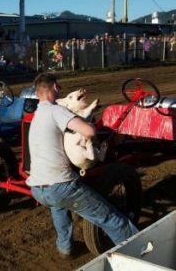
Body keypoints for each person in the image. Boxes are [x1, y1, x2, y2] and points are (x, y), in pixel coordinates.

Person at [27, 73, 138, 257]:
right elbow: (89, 130)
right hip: (61, 187)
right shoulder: (56, 110)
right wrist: (91, 130)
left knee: (58, 207)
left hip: (38, 189)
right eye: (59, 86)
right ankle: (139, 253)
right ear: (54, 87)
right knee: (111, 218)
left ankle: (65, 248)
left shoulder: (37, 114)